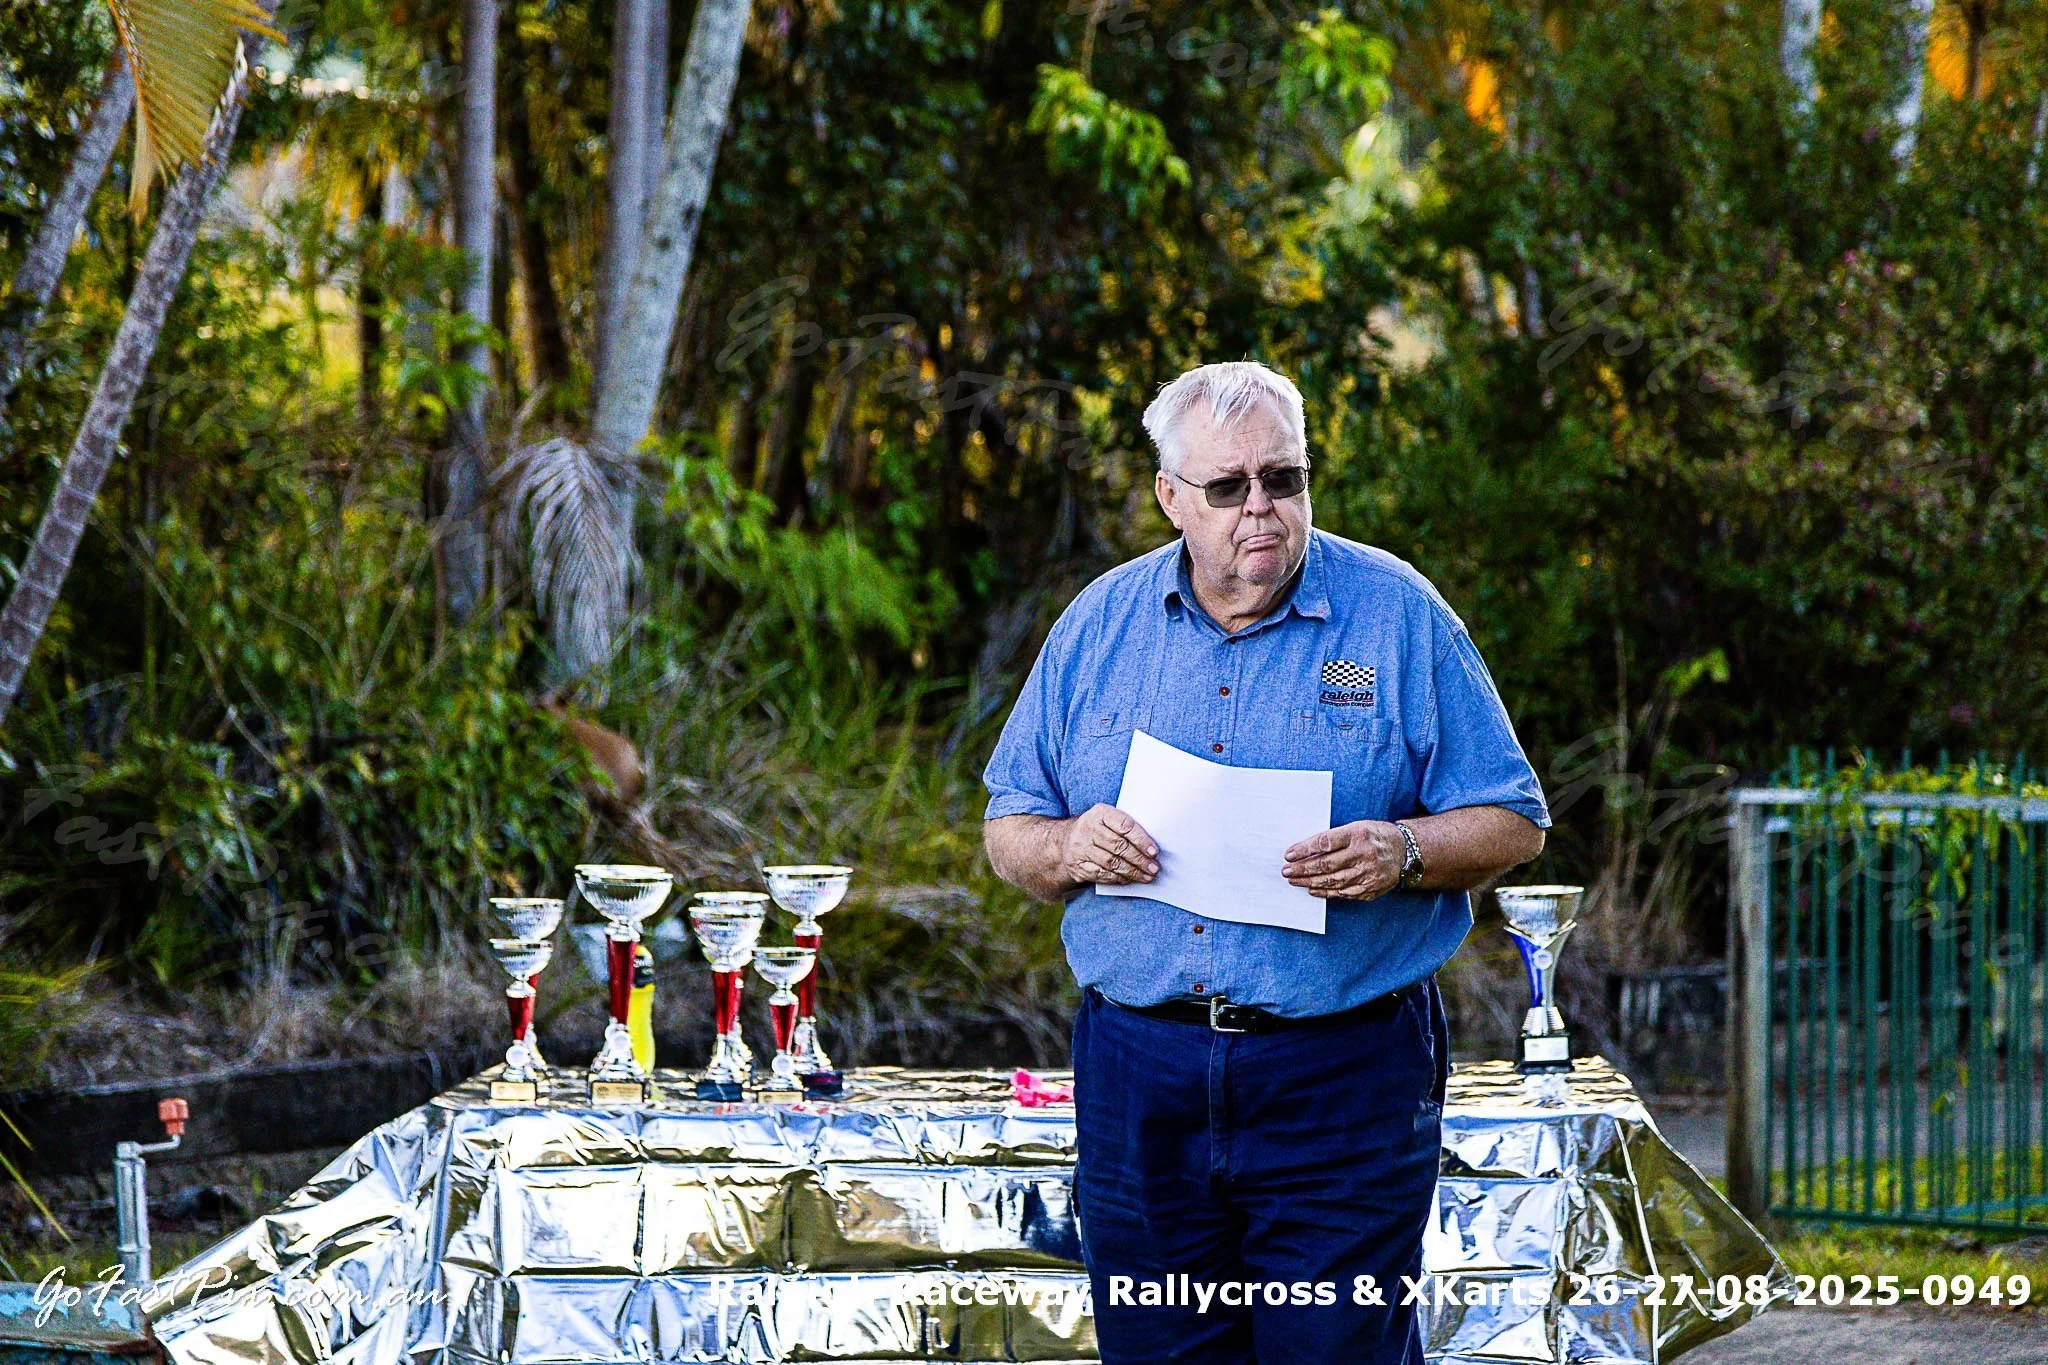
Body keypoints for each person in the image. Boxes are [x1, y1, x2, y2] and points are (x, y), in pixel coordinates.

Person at [981, 360, 1551, 1363]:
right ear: (1170, 499)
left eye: (1282, 480)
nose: (1261, 509)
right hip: (1139, 1075)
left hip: (1338, 1075)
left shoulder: (1390, 622)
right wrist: (1068, 846)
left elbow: (1514, 820)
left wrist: (1405, 849)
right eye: (1227, 487)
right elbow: (1007, 830)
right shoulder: (1098, 629)